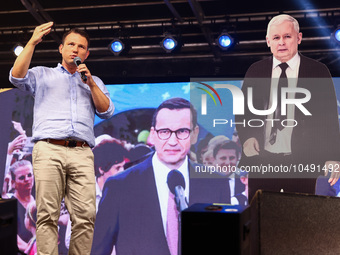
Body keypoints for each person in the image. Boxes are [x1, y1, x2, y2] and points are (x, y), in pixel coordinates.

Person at [9, 21, 115, 255]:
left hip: (82, 152)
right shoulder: (42, 74)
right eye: (71, 44)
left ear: (86, 53)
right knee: (47, 215)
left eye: (81, 46)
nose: (75, 49)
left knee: (86, 216)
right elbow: (16, 77)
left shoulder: (94, 81)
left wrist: (90, 84)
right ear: (61, 48)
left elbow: (107, 111)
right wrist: (32, 42)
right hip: (49, 149)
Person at [91, 97, 230, 255]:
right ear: (153, 134)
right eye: (164, 132)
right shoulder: (119, 186)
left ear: (195, 134)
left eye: (182, 131)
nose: (172, 141)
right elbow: (99, 251)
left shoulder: (216, 183)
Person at [236, 14, 340, 201]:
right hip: (263, 160)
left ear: (298, 38)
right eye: (276, 38)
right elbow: (243, 112)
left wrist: (333, 156)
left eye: (287, 36)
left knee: (300, 218)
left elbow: (329, 118)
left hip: (302, 160)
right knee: (259, 218)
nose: (281, 42)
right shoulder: (255, 71)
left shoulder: (318, 71)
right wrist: (248, 137)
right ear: (268, 41)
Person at [8, 160, 35, 252]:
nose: (27, 179)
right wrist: (34, 250)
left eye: (30, 175)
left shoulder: (40, 198)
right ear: (13, 183)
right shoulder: (8, 205)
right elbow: (13, 239)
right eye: (22, 177)